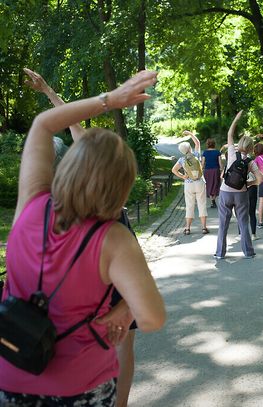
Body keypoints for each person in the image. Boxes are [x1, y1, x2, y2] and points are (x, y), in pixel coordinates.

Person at [0, 70, 166, 405]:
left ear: (69, 168)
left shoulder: (31, 204)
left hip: (10, 376)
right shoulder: (114, 240)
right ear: (121, 188)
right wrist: (125, 311)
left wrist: (110, 100)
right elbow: (152, 318)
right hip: (81, 387)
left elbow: (43, 125)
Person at [214, 111, 263, 259]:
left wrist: (236, 119)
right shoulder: (250, 162)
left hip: (225, 192)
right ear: (251, 148)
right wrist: (249, 183)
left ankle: (220, 253)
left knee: (223, 224)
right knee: (243, 223)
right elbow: (260, 179)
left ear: (240, 144)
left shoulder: (231, 153)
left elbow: (230, 134)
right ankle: (248, 252)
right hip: (241, 194)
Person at [171, 131, 208, 235]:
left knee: (189, 205)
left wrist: (183, 176)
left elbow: (173, 170)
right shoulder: (196, 155)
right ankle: (204, 228)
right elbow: (197, 143)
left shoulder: (181, 160)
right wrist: (190, 134)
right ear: (189, 148)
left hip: (189, 184)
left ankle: (187, 228)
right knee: (202, 204)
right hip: (199, 182)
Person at [201, 138, 222, 208]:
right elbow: (220, 163)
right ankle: (213, 200)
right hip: (216, 170)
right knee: (216, 184)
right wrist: (222, 170)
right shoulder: (217, 152)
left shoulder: (205, 152)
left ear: (207, 144)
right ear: (214, 144)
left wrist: (201, 170)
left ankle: (212, 200)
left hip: (207, 170)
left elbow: (203, 163)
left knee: (209, 185)